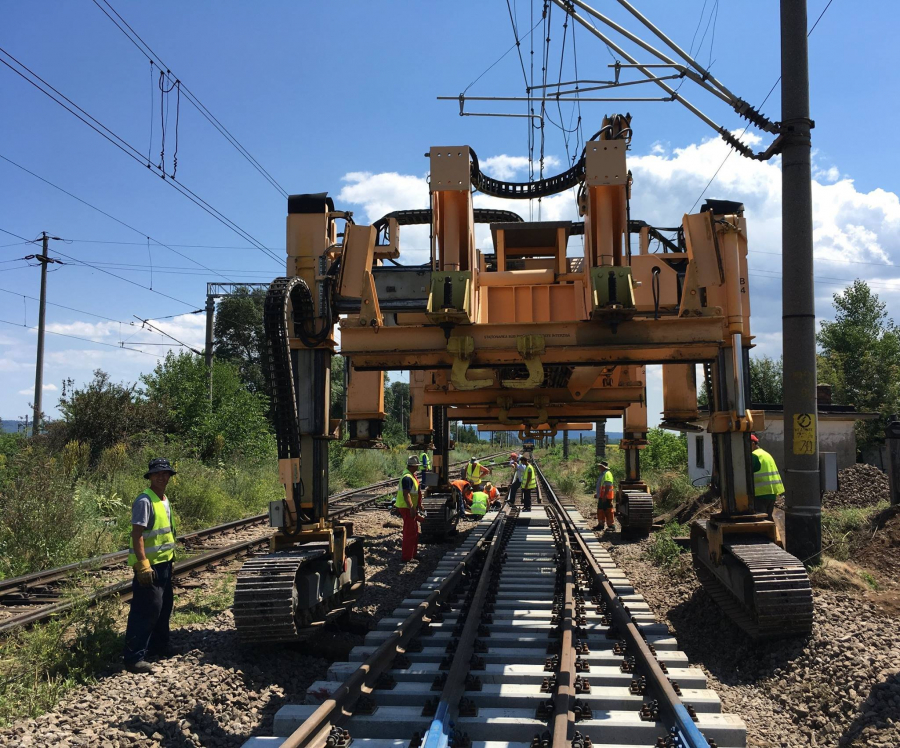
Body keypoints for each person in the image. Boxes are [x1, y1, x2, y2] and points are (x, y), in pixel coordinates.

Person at [123, 458, 178, 674]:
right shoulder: (145, 500)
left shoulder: (163, 499)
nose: (162, 477)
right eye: (158, 474)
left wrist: (171, 561)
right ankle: (133, 657)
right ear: (150, 476)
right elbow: (137, 534)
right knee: (146, 611)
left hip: (164, 564)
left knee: (163, 607)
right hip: (149, 567)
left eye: (166, 474)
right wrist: (143, 564)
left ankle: (159, 647)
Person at [396, 455, 424, 562]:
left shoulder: (411, 475)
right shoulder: (407, 478)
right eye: (417, 466)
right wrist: (412, 507)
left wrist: (419, 505)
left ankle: (413, 554)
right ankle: (407, 557)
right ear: (412, 466)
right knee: (409, 533)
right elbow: (406, 494)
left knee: (414, 531)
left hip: (410, 507)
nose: (418, 468)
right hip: (407, 508)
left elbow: (415, 493)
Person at [751, 434, 784, 519]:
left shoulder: (754, 455)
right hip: (771, 493)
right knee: (768, 520)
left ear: (753, 444)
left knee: (760, 521)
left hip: (760, 493)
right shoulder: (766, 454)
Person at [595, 460, 616, 531]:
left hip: (606, 497)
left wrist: (605, 495)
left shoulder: (607, 474)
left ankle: (611, 526)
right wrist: (598, 494)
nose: (599, 468)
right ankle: (601, 525)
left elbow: (608, 485)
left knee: (608, 510)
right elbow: (601, 485)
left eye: (600, 466)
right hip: (602, 496)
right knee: (600, 510)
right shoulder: (603, 474)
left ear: (603, 467)